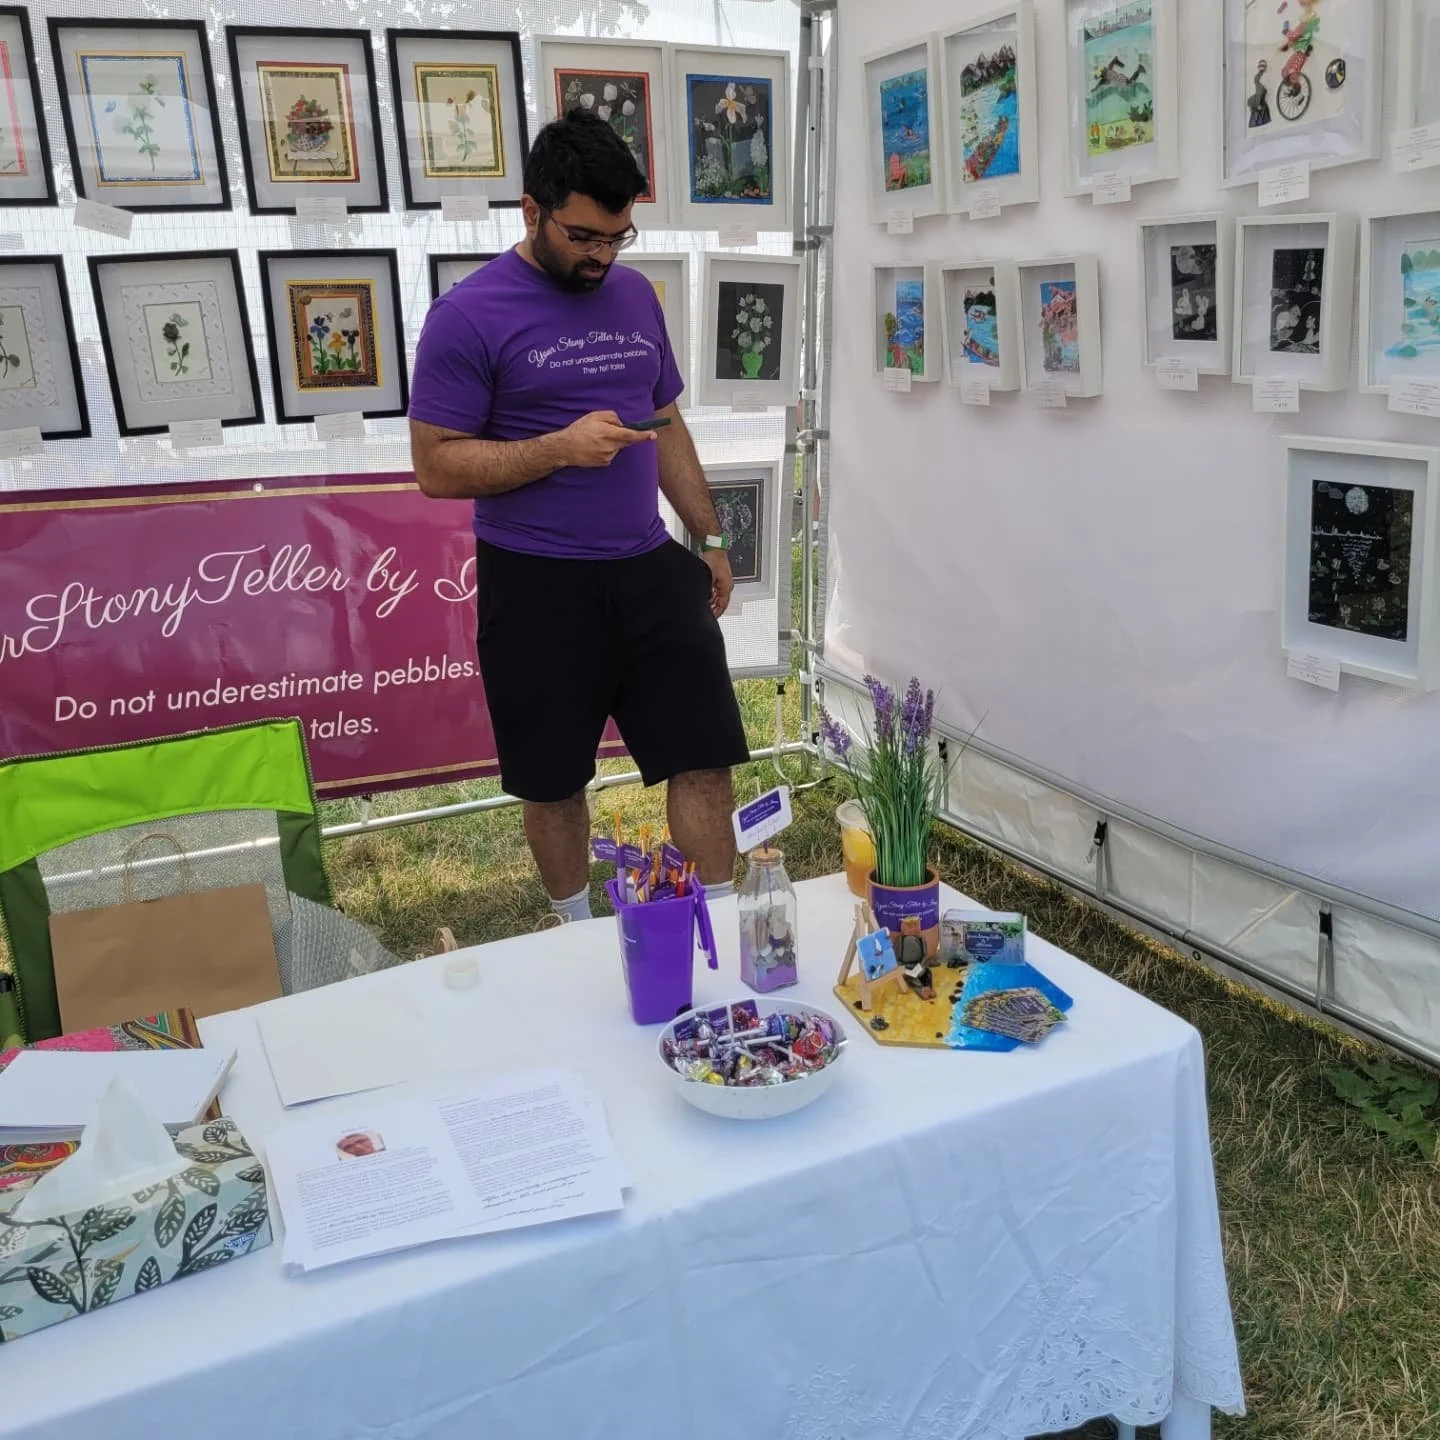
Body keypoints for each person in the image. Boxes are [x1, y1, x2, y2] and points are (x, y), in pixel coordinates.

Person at [408, 109, 749, 924]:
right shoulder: (468, 316)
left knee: (705, 760)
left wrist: (706, 535)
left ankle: (723, 927)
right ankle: (574, 934)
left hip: (647, 565)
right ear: (533, 211)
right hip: (535, 583)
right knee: (555, 780)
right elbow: (435, 466)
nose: (602, 257)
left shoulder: (634, 295)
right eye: (585, 237)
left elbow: (665, 423)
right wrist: (555, 448)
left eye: (618, 236)